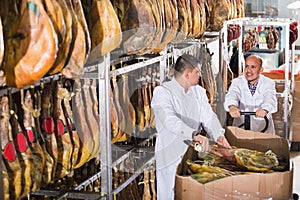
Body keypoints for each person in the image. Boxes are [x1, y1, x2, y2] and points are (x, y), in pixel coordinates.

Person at [151, 54, 231, 200]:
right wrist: (193, 134)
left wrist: (219, 134)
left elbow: (208, 116)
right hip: (170, 155)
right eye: (197, 72)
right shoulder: (162, 92)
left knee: (190, 193)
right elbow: (169, 120)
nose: (200, 75)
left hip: (192, 153)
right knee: (169, 193)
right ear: (187, 74)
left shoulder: (199, 92)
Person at [223, 54, 277, 134]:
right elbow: (232, 94)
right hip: (241, 129)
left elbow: (270, 98)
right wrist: (232, 107)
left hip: (263, 129)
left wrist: (265, 110)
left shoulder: (268, 83)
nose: (248, 70)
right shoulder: (237, 82)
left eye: (253, 67)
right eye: (247, 66)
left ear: (261, 70)